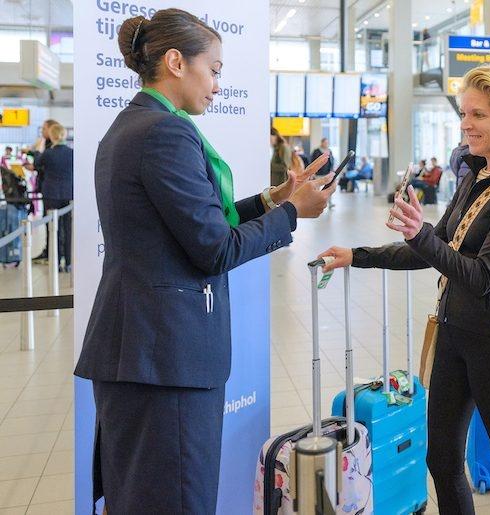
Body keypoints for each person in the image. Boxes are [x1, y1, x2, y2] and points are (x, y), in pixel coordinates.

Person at [73, 9, 336, 514]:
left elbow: (197, 224)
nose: (218, 84)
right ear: (176, 62)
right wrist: (291, 215)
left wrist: (272, 200)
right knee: (176, 500)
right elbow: (215, 248)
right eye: (213, 69)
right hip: (164, 359)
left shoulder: (134, 126)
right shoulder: (164, 135)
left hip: (148, 354)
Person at [318, 64, 490, 515]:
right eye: (464, 114)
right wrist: (358, 254)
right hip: (455, 332)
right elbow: (432, 249)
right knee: (441, 456)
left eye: (478, 115)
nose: (465, 124)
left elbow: (484, 276)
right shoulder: (475, 176)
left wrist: (421, 236)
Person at [33, 122, 73, 271]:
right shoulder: (71, 152)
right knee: (67, 229)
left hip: (51, 194)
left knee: (53, 228)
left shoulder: (49, 153)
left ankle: (55, 261)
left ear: (52, 135)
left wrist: (38, 150)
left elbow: (37, 163)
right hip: (68, 194)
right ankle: (68, 262)